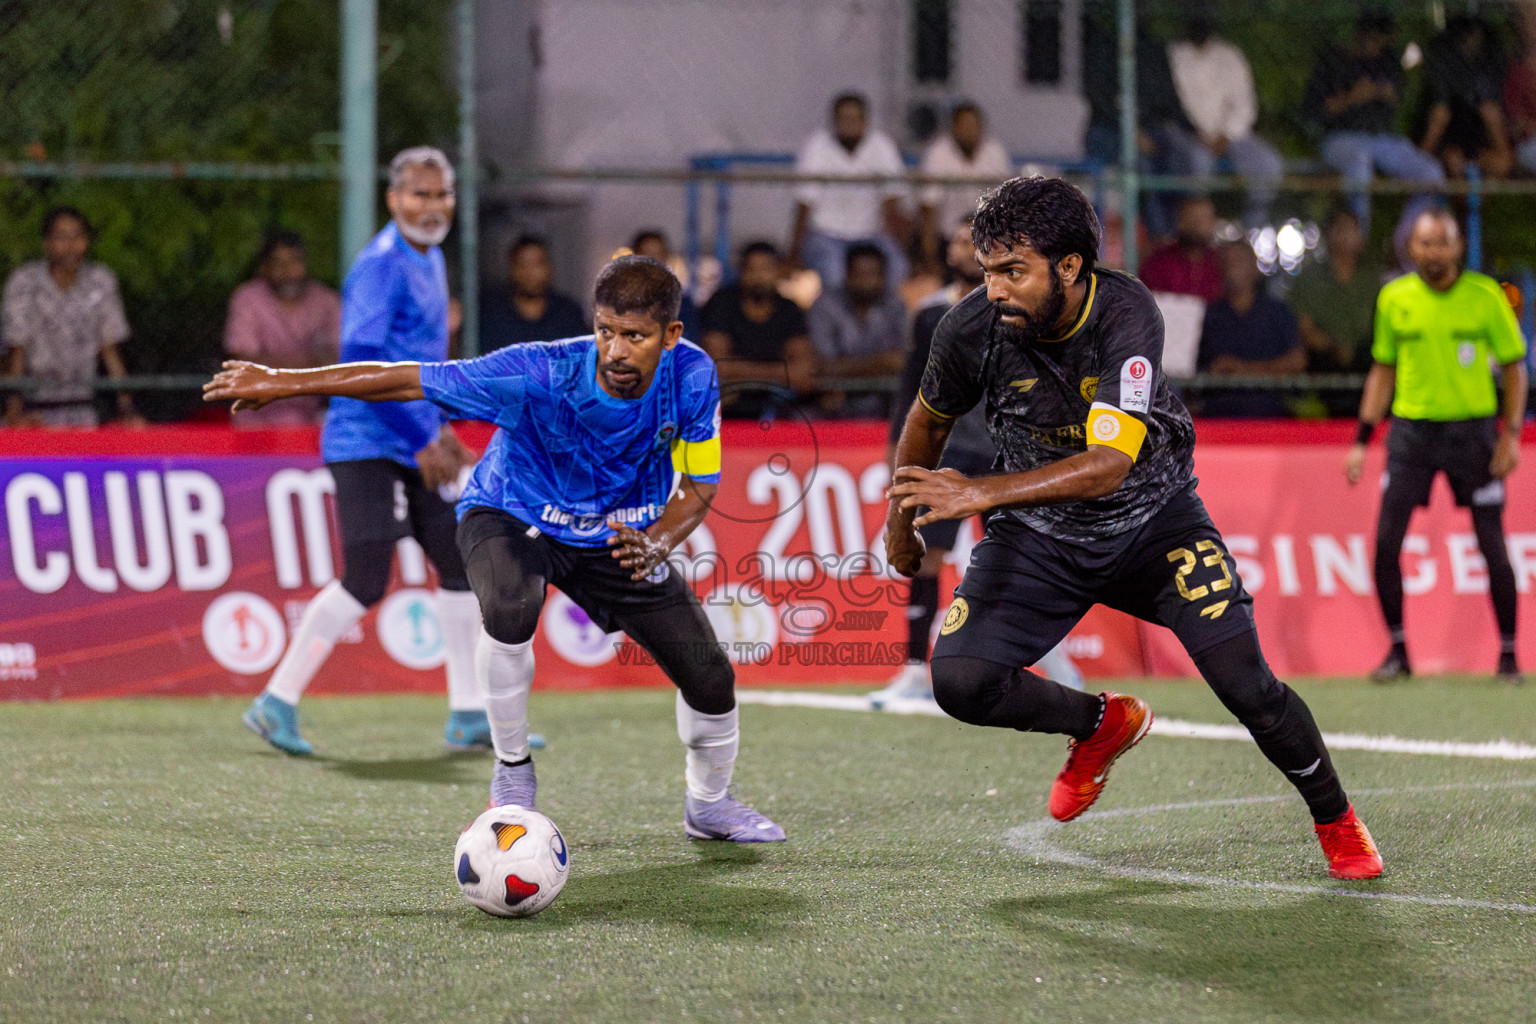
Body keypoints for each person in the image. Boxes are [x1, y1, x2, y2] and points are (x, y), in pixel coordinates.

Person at [885, 175, 1383, 880]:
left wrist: (981, 492)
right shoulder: (972, 327)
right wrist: (900, 521)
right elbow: (926, 420)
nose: (994, 289)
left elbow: (1109, 464)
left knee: (1247, 685)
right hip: (1039, 538)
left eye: (1012, 272)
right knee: (961, 681)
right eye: (988, 269)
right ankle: (1100, 724)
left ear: (1069, 268)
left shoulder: (1126, 313)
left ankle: (1335, 816)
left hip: (1157, 526)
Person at [206, 254, 785, 843]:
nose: (614, 350)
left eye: (634, 336)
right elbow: (409, 377)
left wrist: (659, 541)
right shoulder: (539, 372)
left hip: (618, 537)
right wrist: (282, 384)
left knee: (710, 675)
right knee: (509, 607)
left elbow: (699, 484)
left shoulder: (691, 376)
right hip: (512, 514)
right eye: (605, 330)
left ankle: (708, 806)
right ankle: (511, 772)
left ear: (671, 335)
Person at [236, 147, 492, 757]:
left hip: (413, 437)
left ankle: (468, 715)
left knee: (457, 564)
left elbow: (419, 367)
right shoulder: (382, 264)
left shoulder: (427, 258)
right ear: (393, 199)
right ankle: (275, 703)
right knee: (368, 574)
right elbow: (363, 364)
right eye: (419, 195)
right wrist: (423, 435)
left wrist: (442, 426)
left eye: (442, 195)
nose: (432, 207)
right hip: (364, 441)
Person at [870, 215, 1083, 708]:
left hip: (1011, 450)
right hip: (948, 452)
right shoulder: (928, 314)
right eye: (959, 240)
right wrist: (895, 456)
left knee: (1022, 560)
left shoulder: (1022, 305)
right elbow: (910, 389)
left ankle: (1053, 660)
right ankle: (913, 670)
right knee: (925, 559)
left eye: (975, 242)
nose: (964, 248)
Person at [1345, 209, 1526, 685]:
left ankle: (1508, 655)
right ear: (1412, 248)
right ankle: (1399, 652)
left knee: (1492, 546)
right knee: (1386, 544)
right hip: (1411, 434)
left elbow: (1514, 368)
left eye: (1442, 243)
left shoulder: (1486, 297)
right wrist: (1363, 440)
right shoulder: (1394, 298)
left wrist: (1510, 434)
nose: (1433, 253)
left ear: (1458, 247)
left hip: (1473, 434)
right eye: (1425, 244)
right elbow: (1382, 370)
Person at [1302, 10, 1445, 230]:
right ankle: (1358, 240)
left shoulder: (1387, 61)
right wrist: (1351, 97)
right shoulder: (1332, 60)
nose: (1377, 45)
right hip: (1340, 138)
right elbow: (1313, 113)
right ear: (1360, 33)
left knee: (1431, 173)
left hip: (1381, 139)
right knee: (1359, 169)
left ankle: (1407, 242)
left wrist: (1384, 94)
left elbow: (1396, 100)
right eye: (1373, 38)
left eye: (1382, 40)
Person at [3, 207, 143, 428]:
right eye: (61, 237)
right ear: (46, 243)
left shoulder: (100, 281)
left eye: (77, 236)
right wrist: (14, 412)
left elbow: (110, 351)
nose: (70, 245)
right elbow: (16, 350)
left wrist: (128, 409)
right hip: (36, 407)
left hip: (83, 408)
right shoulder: (25, 282)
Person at [1164, 14, 1285, 229]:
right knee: (1197, 162)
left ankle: (1250, 233)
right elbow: (1170, 105)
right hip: (1186, 134)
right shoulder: (1173, 55)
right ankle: (1191, 232)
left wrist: (1226, 135)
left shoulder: (1229, 56)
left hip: (1231, 136)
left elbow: (1244, 104)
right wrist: (1195, 132)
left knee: (1269, 165)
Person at [788, 92, 910, 293]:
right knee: (834, 276)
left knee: (897, 268)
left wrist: (903, 245)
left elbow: (893, 201)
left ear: (865, 120)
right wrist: (793, 255)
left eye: (855, 118)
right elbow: (804, 205)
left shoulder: (881, 145)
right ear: (834, 121)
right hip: (825, 235)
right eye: (844, 118)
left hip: (870, 235)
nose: (849, 123)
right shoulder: (817, 146)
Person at [223, 230, 341, 427]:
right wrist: (310, 365)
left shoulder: (326, 300)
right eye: (279, 264)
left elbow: (343, 362)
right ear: (264, 268)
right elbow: (243, 363)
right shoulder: (247, 299)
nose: (289, 271)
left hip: (314, 415)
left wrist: (277, 367)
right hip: (257, 416)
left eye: (295, 261)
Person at [698, 241, 815, 419]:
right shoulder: (722, 303)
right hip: (728, 403)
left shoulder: (789, 309)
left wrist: (741, 371)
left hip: (779, 403)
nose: (759, 276)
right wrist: (779, 374)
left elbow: (803, 372)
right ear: (742, 273)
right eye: (752, 269)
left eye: (766, 268)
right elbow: (716, 366)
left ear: (778, 271)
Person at [1196, 241, 1305, 418]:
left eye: (1240, 261)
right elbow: (1192, 371)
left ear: (1254, 268)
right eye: (1228, 262)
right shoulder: (1208, 316)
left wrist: (1241, 369)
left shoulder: (1277, 312)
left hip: (1271, 417)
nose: (1233, 267)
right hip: (1217, 421)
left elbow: (1297, 361)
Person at [805, 243, 907, 419]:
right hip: (832, 404)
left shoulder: (895, 307)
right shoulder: (825, 305)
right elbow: (821, 367)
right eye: (860, 275)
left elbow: (902, 362)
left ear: (884, 276)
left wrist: (845, 368)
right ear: (847, 274)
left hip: (885, 405)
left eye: (873, 275)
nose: (866, 282)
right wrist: (881, 363)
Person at [917, 103, 1013, 273]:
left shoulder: (995, 151)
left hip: (988, 237)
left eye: (973, 125)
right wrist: (929, 257)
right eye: (963, 125)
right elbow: (929, 208)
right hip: (948, 239)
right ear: (953, 127)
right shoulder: (938, 153)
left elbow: (1007, 204)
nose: (969, 130)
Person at [1417, 15, 1514, 180]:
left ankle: (1474, 199)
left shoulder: (1491, 58)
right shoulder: (1441, 59)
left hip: (1478, 136)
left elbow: (1503, 156)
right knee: (1453, 160)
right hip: (1449, 135)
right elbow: (1439, 114)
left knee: (1501, 162)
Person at [479, 235, 587, 351]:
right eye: (522, 264)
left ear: (549, 267)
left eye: (537, 264)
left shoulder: (568, 314)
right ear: (511, 268)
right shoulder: (492, 315)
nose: (530, 273)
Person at [1138, 196, 1223, 303]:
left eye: (1205, 219)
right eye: (1194, 219)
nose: (1199, 226)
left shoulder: (1220, 262)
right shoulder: (1159, 262)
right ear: (1180, 222)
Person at [628, 229, 700, 342]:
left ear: (666, 257)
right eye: (646, 255)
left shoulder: (682, 303)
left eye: (659, 254)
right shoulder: (616, 301)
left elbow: (688, 339)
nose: (653, 261)